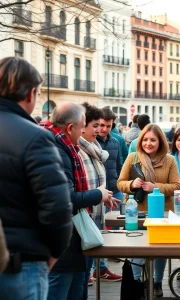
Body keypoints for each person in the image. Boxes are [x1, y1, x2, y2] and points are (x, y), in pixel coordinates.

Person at [0, 57, 73, 299]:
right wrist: (52, 254)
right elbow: (58, 207)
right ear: (31, 94)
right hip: (20, 264)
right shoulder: (35, 137)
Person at [46, 103, 118, 300]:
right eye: (85, 125)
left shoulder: (66, 147)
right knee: (63, 291)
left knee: (77, 288)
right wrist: (98, 194)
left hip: (76, 232)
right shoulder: (59, 151)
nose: (89, 130)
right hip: (65, 236)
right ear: (71, 128)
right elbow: (67, 198)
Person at [117, 123, 180, 298]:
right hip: (135, 213)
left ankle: (157, 281)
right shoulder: (132, 157)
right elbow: (120, 183)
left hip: (162, 214)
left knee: (160, 250)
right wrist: (131, 184)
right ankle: (137, 283)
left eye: (153, 140)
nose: (148, 143)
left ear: (160, 141)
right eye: (145, 139)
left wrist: (156, 187)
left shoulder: (169, 160)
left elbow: (176, 186)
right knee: (136, 249)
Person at [78, 103, 122, 296]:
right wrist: (99, 194)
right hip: (82, 219)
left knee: (84, 271)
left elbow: (98, 179)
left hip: (95, 214)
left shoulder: (95, 148)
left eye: (103, 125)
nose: (99, 130)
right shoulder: (77, 151)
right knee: (79, 275)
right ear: (82, 126)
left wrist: (104, 196)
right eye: (95, 125)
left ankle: (99, 270)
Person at [96, 107, 124, 215]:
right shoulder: (91, 142)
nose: (104, 129)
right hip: (98, 193)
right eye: (102, 125)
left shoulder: (115, 142)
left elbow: (118, 166)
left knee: (117, 225)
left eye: (108, 126)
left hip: (115, 191)